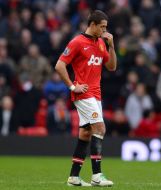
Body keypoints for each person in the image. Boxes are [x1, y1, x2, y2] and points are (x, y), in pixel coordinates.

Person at [55, 10, 117, 187]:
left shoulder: (101, 43)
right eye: (102, 27)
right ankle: (97, 175)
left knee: (86, 133)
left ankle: (74, 177)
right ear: (93, 25)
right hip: (83, 93)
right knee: (100, 128)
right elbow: (59, 66)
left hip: (96, 94)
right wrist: (73, 86)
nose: (104, 30)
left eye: (106, 27)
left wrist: (111, 46)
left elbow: (111, 67)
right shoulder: (77, 42)